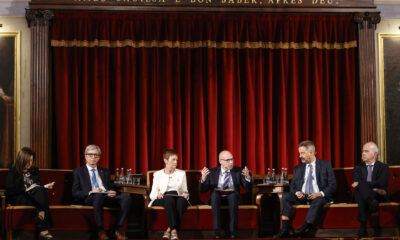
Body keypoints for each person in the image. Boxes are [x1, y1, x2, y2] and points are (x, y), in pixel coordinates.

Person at [274, 140, 336, 238]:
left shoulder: (325, 165)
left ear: (311, 152)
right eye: (299, 153)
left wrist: (319, 193)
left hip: (318, 197)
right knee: (285, 196)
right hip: (302, 197)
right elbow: (293, 187)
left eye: (302, 153)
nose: (300, 156)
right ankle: (285, 228)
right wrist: (297, 192)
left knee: (319, 199)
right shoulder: (298, 168)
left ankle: (305, 228)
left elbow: (332, 185)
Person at [72, 144, 132, 240]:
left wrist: (114, 192)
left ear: (99, 157)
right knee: (98, 196)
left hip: (106, 196)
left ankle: (116, 230)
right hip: (90, 197)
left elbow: (112, 187)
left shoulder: (105, 171)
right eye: (90, 154)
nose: (93, 157)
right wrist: (91, 191)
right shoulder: (78, 172)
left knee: (126, 197)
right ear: (85, 156)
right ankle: (100, 230)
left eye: (96, 155)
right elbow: (75, 193)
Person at [199, 150, 252, 239]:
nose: (231, 162)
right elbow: (202, 190)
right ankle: (216, 232)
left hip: (233, 198)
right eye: (227, 160)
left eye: (232, 159)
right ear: (220, 161)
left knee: (233, 195)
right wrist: (203, 179)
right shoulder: (212, 172)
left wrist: (247, 177)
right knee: (215, 195)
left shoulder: (238, 171)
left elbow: (248, 188)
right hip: (217, 198)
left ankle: (233, 233)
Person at [5, 147, 56, 240]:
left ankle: (41, 219)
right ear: (21, 160)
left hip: (34, 196)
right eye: (27, 161)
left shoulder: (34, 170)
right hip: (21, 197)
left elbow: (36, 185)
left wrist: (45, 186)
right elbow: (9, 190)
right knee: (41, 198)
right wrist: (25, 189)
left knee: (41, 190)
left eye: (32, 161)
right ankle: (44, 230)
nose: (30, 164)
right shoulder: (13, 171)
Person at [148, 149, 190, 240]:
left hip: (178, 196)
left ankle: (169, 229)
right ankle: (174, 231)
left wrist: (186, 194)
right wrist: (157, 195)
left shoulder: (181, 174)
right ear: (165, 160)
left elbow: (185, 190)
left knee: (182, 201)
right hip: (163, 198)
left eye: (177, 160)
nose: (176, 162)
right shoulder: (157, 174)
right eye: (173, 160)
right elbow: (152, 194)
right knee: (169, 199)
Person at [352, 142, 389, 237]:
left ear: (375, 154)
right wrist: (376, 189)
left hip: (378, 197)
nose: (363, 153)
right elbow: (355, 183)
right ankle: (371, 202)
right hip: (376, 194)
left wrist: (362, 184)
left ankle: (363, 227)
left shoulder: (383, 167)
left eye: (366, 151)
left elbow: (381, 183)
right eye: (362, 151)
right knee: (360, 190)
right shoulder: (358, 168)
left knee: (360, 189)